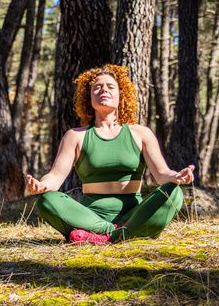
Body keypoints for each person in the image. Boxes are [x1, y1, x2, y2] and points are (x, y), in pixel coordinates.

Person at [26, 64, 194, 244]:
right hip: (90, 217)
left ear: (121, 95)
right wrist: (42, 185)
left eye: (110, 86)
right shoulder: (75, 136)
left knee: (174, 193)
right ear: (88, 97)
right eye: (97, 87)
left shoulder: (141, 134)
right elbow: (56, 176)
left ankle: (102, 237)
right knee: (46, 201)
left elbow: (162, 174)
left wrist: (176, 176)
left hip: (134, 214)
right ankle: (120, 233)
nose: (103, 90)